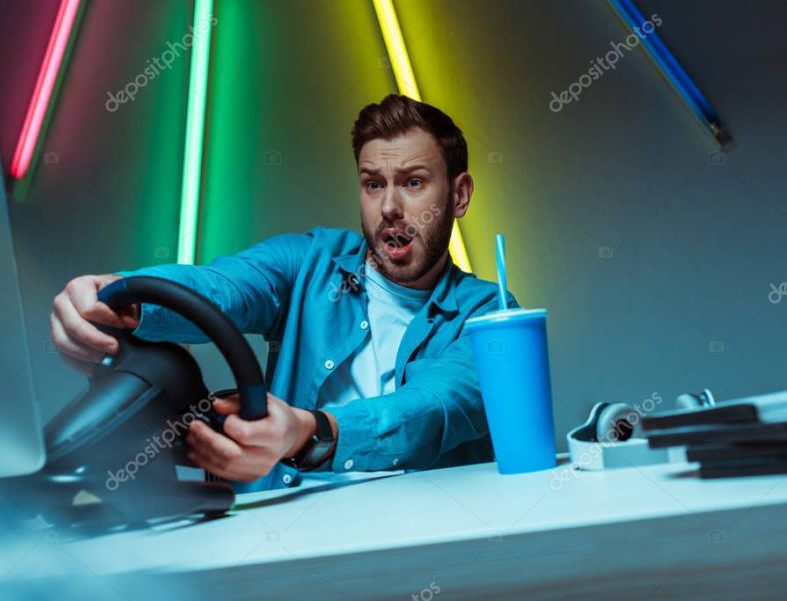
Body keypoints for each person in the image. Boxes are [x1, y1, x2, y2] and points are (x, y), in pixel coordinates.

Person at [50, 94, 517, 492]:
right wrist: (119, 296)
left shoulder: (491, 316)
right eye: (373, 184)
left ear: (459, 196)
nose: (390, 207)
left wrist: (306, 433)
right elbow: (223, 289)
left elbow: (433, 409)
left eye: (413, 183)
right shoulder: (307, 263)